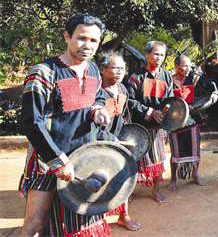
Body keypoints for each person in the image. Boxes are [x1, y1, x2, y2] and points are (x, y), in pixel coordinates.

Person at [19, 14, 112, 236]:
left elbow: (97, 96)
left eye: (94, 41)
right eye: (81, 38)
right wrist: (57, 160)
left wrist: (98, 109)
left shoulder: (92, 70)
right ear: (67, 37)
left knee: (82, 223)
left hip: (84, 157)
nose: (87, 46)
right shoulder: (43, 72)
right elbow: (31, 122)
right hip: (47, 159)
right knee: (36, 223)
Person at [97, 51, 140, 231]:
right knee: (99, 180)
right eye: (115, 68)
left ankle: (124, 215)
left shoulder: (122, 88)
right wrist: (108, 138)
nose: (120, 72)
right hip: (98, 144)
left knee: (122, 176)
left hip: (118, 142)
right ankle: (98, 219)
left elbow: (122, 115)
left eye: (123, 68)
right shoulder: (96, 91)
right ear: (102, 69)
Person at [126, 41, 173, 204]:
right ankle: (129, 190)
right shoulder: (136, 76)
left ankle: (155, 190)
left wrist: (166, 112)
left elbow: (169, 100)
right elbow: (130, 101)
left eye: (162, 54)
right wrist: (150, 111)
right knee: (136, 159)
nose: (159, 57)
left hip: (158, 126)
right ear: (147, 54)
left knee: (159, 159)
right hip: (140, 126)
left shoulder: (167, 76)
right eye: (156, 53)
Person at [166, 55, 218, 191]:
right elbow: (165, 101)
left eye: (189, 66)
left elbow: (210, 83)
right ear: (176, 67)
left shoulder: (194, 79)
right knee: (175, 151)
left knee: (195, 149)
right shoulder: (169, 82)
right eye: (184, 66)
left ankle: (195, 174)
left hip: (192, 120)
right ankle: (173, 180)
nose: (187, 69)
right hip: (175, 122)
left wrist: (214, 93)